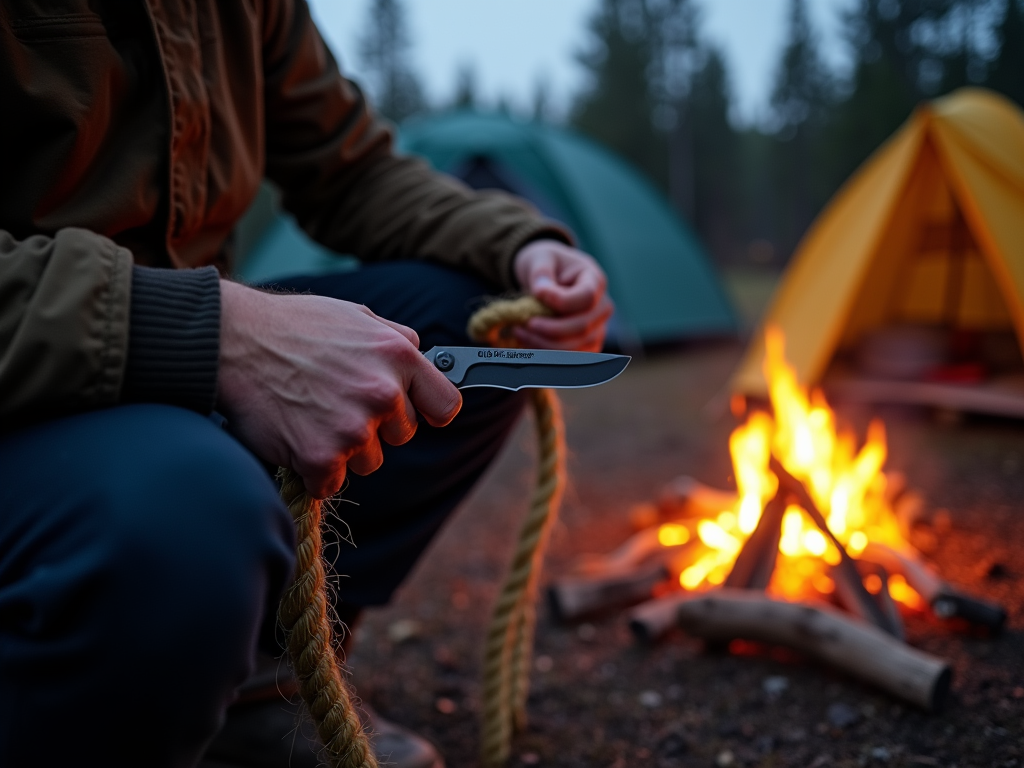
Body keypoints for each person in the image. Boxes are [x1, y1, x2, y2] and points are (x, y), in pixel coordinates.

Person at [0, 2, 612, 767]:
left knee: (464, 320)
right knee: (188, 516)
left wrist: (517, 245)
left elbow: (351, 170)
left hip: (170, 364)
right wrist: (220, 332)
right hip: (27, 388)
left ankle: (263, 678)